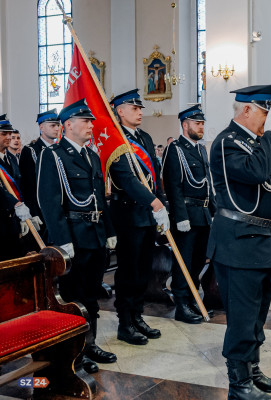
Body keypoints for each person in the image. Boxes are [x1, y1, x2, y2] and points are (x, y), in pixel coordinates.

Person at [208, 84, 271, 399]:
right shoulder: (228, 143)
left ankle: (252, 371)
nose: (268, 119)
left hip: (263, 240)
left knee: (257, 315)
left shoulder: (256, 142)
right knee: (242, 317)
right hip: (238, 243)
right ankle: (238, 383)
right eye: (265, 112)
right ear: (246, 110)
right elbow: (256, 172)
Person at [37, 99, 118, 374]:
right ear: (68, 125)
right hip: (74, 236)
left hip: (94, 235)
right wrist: (63, 240)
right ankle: (76, 352)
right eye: (85, 121)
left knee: (93, 295)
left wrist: (109, 231)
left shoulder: (91, 156)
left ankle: (90, 343)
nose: (90, 126)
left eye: (91, 121)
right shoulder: (54, 156)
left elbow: (100, 200)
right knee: (75, 297)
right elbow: (48, 200)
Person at [108, 89, 169, 345]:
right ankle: (125, 322)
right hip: (129, 215)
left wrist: (161, 203)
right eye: (134, 108)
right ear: (120, 111)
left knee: (144, 270)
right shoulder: (115, 139)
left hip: (147, 215)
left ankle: (138, 315)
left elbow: (153, 174)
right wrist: (155, 203)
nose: (140, 112)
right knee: (129, 271)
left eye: (140, 108)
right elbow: (127, 180)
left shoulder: (143, 137)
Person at [162, 104, 215, 324]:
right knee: (183, 261)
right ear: (185, 125)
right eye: (196, 123)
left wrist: (213, 212)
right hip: (185, 215)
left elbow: (208, 185)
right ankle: (182, 303)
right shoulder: (175, 149)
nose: (201, 127)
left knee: (196, 262)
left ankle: (193, 298)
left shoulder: (201, 149)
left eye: (202, 123)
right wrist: (180, 216)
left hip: (202, 214)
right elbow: (172, 186)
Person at [19, 109, 60, 247]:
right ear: (41, 127)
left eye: (58, 125)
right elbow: (28, 185)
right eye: (52, 125)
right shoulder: (31, 150)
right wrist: (33, 212)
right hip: (41, 209)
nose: (57, 128)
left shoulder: (60, 149)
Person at [0, 114, 35, 261]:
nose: (8, 137)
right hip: (0, 220)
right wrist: (15, 204)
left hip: (13, 221)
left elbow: (20, 187)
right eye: (4, 134)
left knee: (15, 259)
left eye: (10, 133)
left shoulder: (12, 158)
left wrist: (25, 212)